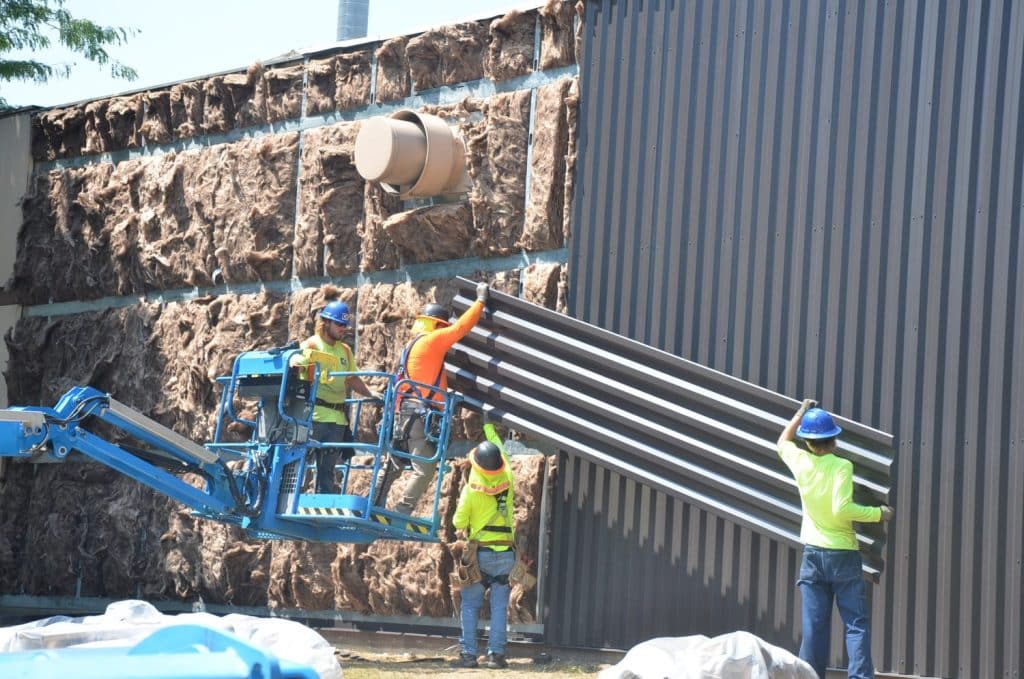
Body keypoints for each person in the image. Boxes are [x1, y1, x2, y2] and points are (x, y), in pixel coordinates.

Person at [777, 399, 894, 679]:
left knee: (815, 627)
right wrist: (878, 513)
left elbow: (782, 440)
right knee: (855, 623)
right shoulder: (842, 466)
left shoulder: (800, 460)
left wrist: (801, 412)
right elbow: (841, 509)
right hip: (842, 555)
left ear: (807, 442)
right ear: (834, 440)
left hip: (813, 556)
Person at [375, 281, 489, 514]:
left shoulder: (411, 345)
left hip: (404, 413)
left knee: (394, 463)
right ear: (437, 325)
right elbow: (460, 329)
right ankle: (401, 512)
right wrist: (480, 301)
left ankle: (372, 504)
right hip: (419, 415)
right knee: (425, 468)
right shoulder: (431, 341)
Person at [294, 300, 374, 494]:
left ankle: (320, 515)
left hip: (337, 419)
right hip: (314, 416)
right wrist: (296, 363)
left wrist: (371, 394)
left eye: (345, 325)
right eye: (339, 324)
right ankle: (290, 502)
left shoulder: (345, 350)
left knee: (327, 471)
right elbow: (296, 364)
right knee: (300, 464)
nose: (343, 329)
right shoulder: (312, 344)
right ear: (326, 322)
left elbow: (352, 378)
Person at [451, 439, 515, 669]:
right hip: (506, 554)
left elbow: (457, 521)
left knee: (470, 605)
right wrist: (490, 429)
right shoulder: (508, 480)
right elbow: (504, 455)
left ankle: (469, 655)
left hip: (480, 556)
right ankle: (496, 656)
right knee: (499, 606)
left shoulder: (470, 490)